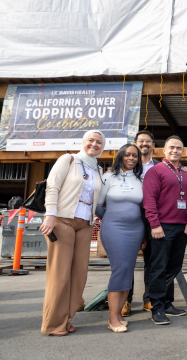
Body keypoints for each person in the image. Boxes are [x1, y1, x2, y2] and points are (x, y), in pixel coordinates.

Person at [39, 130, 105, 336]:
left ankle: (66, 319)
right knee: (60, 274)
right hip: (62, 221)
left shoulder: (98, 169)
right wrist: (50, 215)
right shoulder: (68, 160)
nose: (94, 144)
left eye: (99, 142)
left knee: (79, 274)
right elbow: (52, 186)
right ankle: (52, 324)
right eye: (91, 141)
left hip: (85, 224)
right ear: (83, 142)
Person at [143, 136, 187, 325]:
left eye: (179, 148)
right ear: (164, 151)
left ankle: (166, 303)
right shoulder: (155, 171)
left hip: (181, 228)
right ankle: (156, 307)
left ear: (183, 152)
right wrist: (155, 224)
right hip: (161, 228)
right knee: (158, 268)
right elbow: (149, 201)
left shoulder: (185, 174)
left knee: (173, 267)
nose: (175, 150)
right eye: (171, 147)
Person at [96, 144, 146, 333]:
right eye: (128, 155)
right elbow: (98, 206)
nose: (131, 158)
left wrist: (143, 235)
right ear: (120, 157)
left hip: (135, 230)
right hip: (114, 229)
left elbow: (142, 209)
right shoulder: (108, 177)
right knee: (120, 270)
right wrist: (111, 219)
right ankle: (112, 319)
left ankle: (118, 315)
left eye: (135, 156)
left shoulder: (140, 180)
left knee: (128, 271)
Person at [122, 130, 162, 316]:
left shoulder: (161, 167)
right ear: (135, 145)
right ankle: (125, 300)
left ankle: (149, 299)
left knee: (151, 261)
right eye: (141, 141)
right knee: (127, 260)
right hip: (131, 217)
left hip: (152, 218)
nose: (144, 144)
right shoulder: (128, 167)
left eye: (148, 141)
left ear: (153, 145)